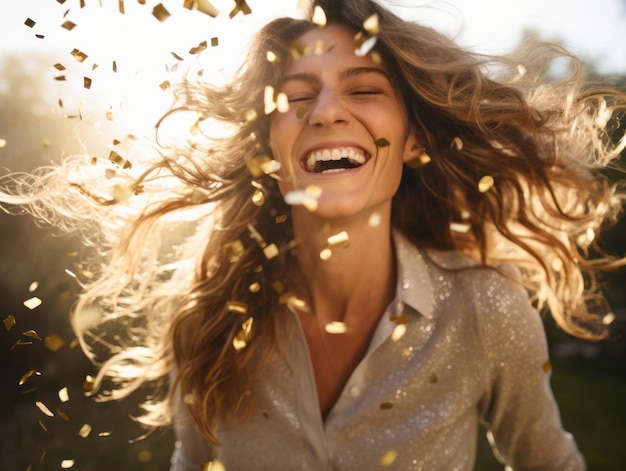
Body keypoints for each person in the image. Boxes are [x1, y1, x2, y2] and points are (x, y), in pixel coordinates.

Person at [2, 0, 625, 469]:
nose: (324, 111)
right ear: (269, 152)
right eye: (295, 96)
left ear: (412, 141)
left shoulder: (485, 307)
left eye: (364, 89)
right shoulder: (210, 318)